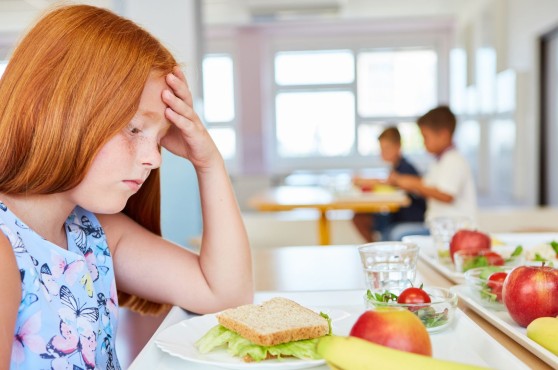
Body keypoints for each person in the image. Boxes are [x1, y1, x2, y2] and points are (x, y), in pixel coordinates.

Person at [0, 5, 253, 370]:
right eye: (135, 129)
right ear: (59, 108)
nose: (155, 159)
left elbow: (226, 294)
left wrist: (208, 162)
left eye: (160, 138)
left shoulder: (93, 232)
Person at [388, 106, 477, 240]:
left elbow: (446, 195)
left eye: (425, 137)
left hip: (454, 232)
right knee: (394, 231)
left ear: (443, 135)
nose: (424, 143)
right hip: (438, 228)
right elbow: (429, 185)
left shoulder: (454, 160)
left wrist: (414, 185)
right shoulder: (438, 162)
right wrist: (408, 182)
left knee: (398, 235)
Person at [352, 127, 426, 242]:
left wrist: (366, 182)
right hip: (395, 215)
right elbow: (387, 184)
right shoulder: (395, 167)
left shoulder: (405, 168)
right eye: (381, 149)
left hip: (408, 218)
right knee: (360, 217)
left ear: (398, 146)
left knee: (361, 218)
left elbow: (389, 183)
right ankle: (376, 248)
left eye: (387, 148)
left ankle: (377, 248)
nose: (382, 153)